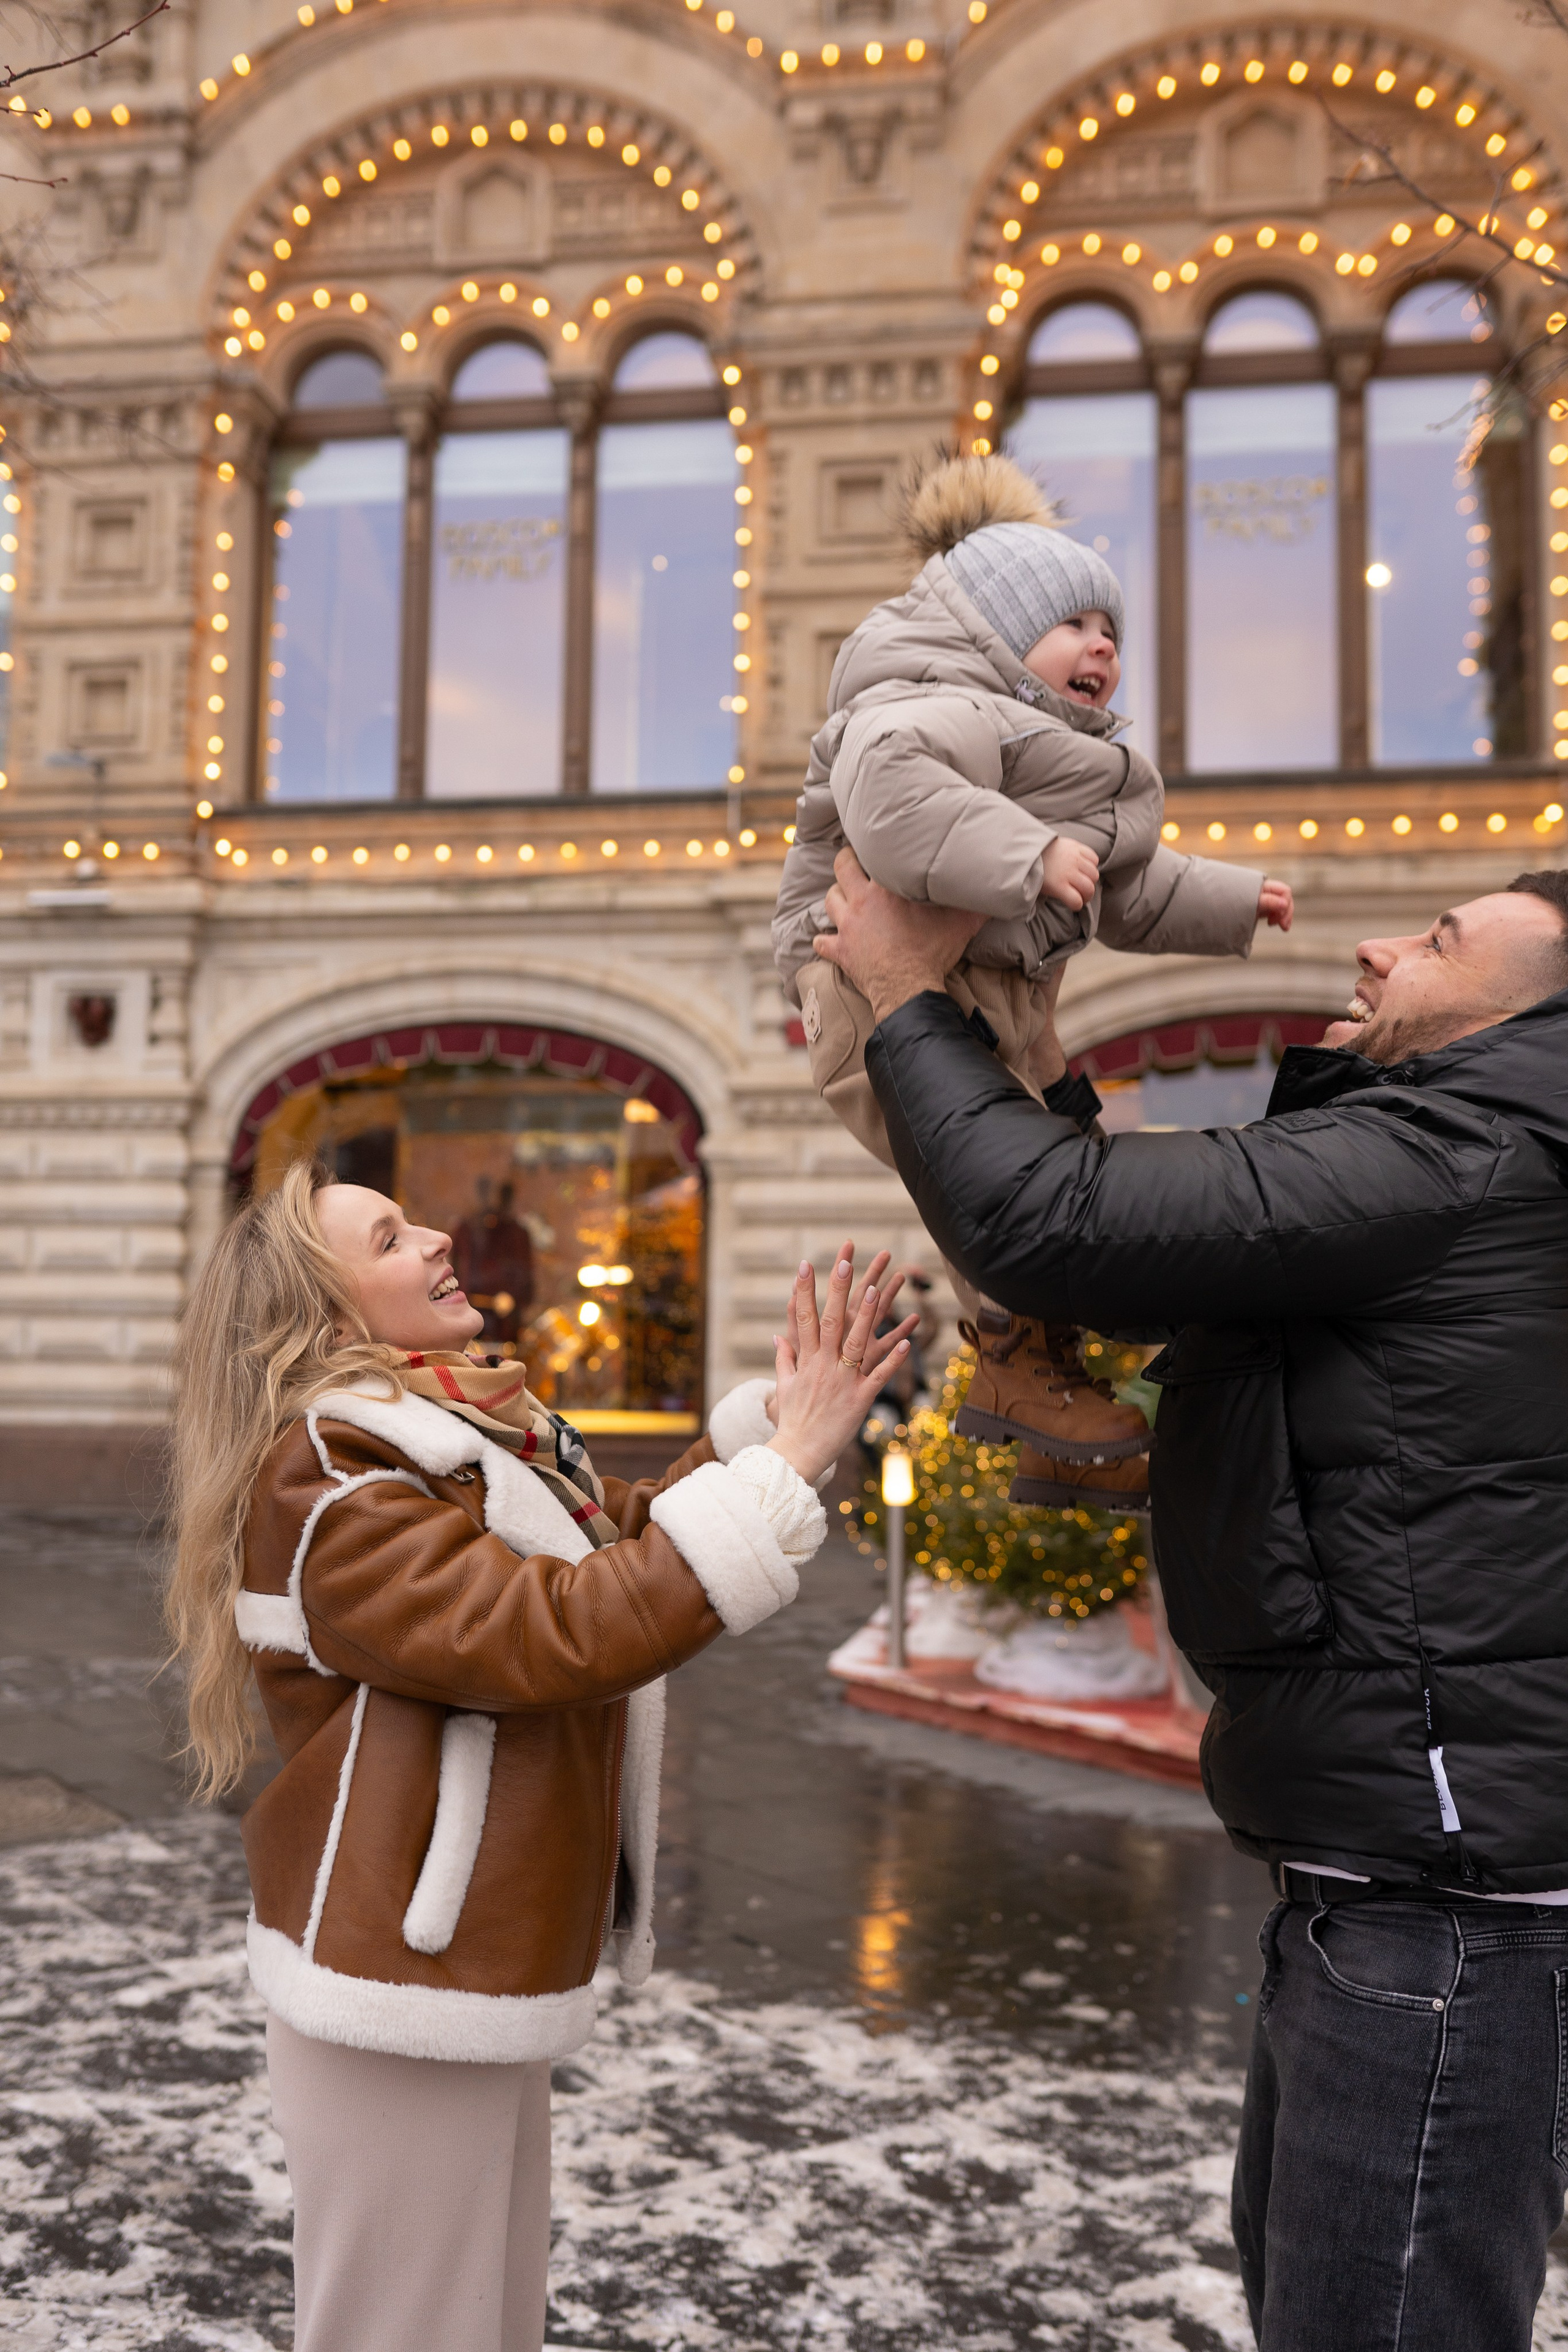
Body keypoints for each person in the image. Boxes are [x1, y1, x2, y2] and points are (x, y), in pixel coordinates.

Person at [816, 849, 1568, 2352]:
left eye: (1437, 940)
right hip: (1399, 1877)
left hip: (1442, 1898)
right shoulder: (1451, 1152)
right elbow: (1154, 1261)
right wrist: (1044, 1070)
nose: (1380, 950)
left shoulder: (1462, 1148)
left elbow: (1059, 1227)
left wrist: (902, 993)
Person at [165, 1157, 914, 2352]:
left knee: (481, 2324)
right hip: (399, 1989)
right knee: (405, 2334)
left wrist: (772, 1440)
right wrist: (781, 1467)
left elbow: (606, 1555)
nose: (436, 1240)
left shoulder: (454, 1438)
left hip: (464, 1966)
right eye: (388, 1238)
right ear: (327, 1315)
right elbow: (554, 1632)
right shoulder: (332, 1474)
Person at [772, 449, 1293, 1510]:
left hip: (980, 995)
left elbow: (1130, 886)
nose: (1102, 647)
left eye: (1112, 634)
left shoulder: (1063, 755)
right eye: (1073, 626)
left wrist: (1234, 902)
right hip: (863, 993)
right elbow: (893, 799)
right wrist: (1028, 856)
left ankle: (1045, 1400)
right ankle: (1021, 1368)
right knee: (1001, 1189)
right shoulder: (935, 705)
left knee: (1046, 1175)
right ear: (997, 636)